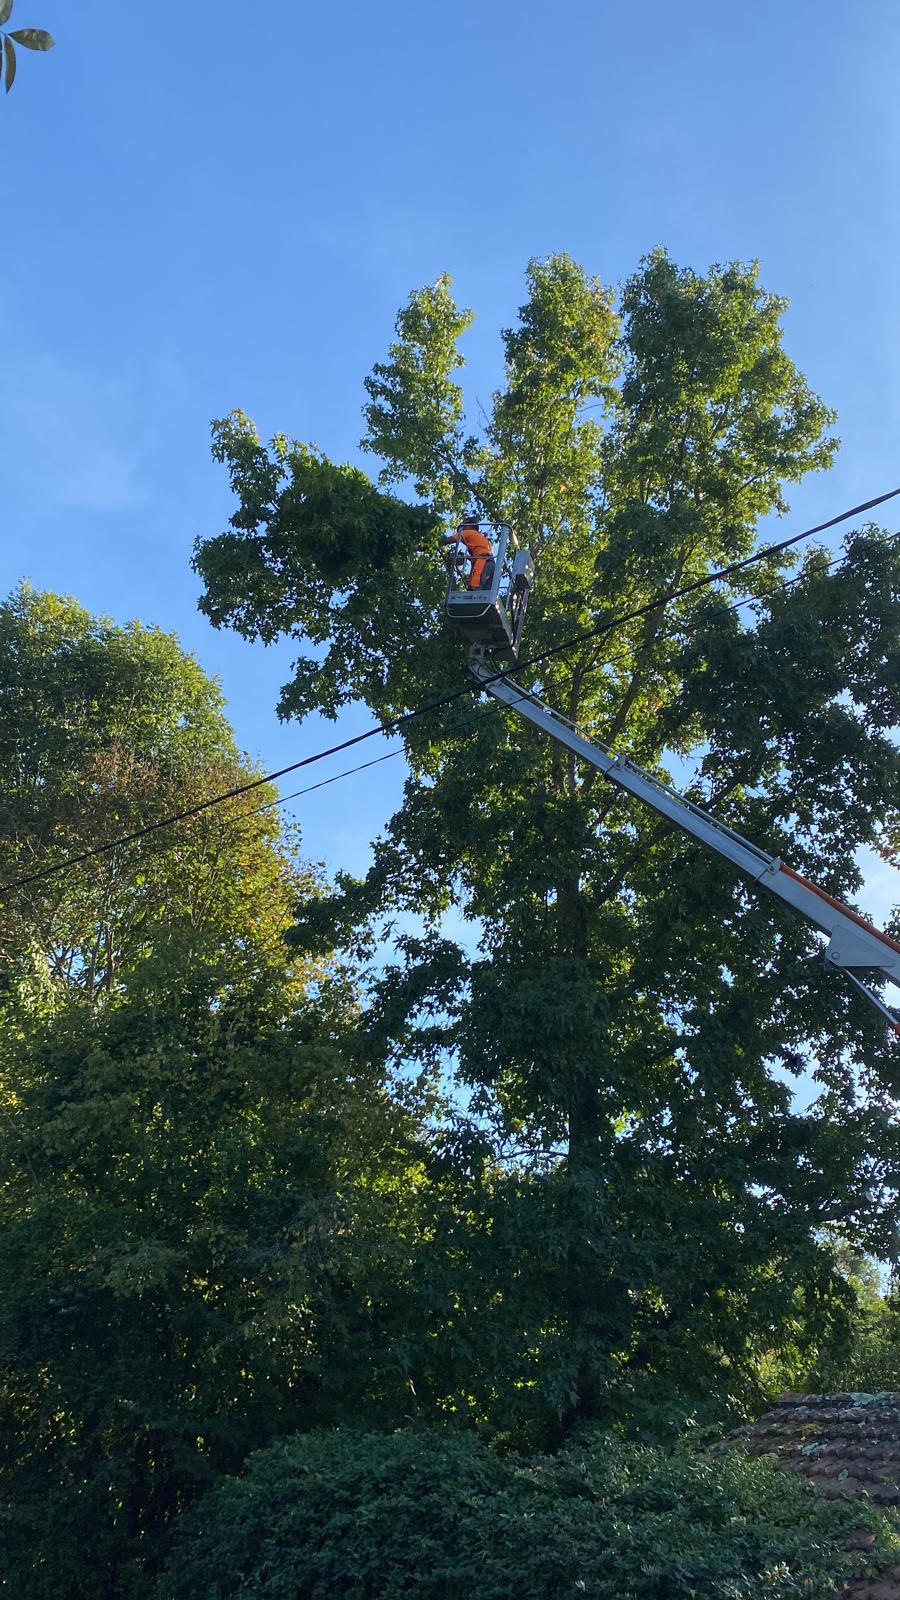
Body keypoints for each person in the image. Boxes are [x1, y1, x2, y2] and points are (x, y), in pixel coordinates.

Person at [443, 517, 495, 590]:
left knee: (474, 586)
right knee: (485, 590)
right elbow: (479, 553)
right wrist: (466, 557)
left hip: (482, 562)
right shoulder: (480, 537)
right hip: (489, 563)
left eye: (464, 526)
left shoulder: (469, 532)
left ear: (470, 525)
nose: (463, 529)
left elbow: (450, 540)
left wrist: (435, 541)